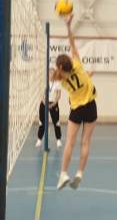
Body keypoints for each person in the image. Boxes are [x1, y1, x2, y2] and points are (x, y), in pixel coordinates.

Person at [53, 14, 97, 190]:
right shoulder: (78, 65)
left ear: (59, 67)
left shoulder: (61, 80)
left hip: (77, 109)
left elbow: (59, 74)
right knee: (85, 142)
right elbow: (72, 43)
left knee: (70, 142)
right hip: (91, 107)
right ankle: (79, 173)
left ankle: (64, 173)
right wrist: (68, 26)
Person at [36, 68, 63, 149]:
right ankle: (39, 139)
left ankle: (58, 140)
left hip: (53, 104)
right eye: (49, 73)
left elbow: (58, 95)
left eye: (52, 73)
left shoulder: (57, 83)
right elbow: (41, 94)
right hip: (44, 103)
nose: (51, 74)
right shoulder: (44, 82)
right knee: (42, 122)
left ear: (54, 74)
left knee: (56, 122)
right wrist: (45, 103)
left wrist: (53, 104)